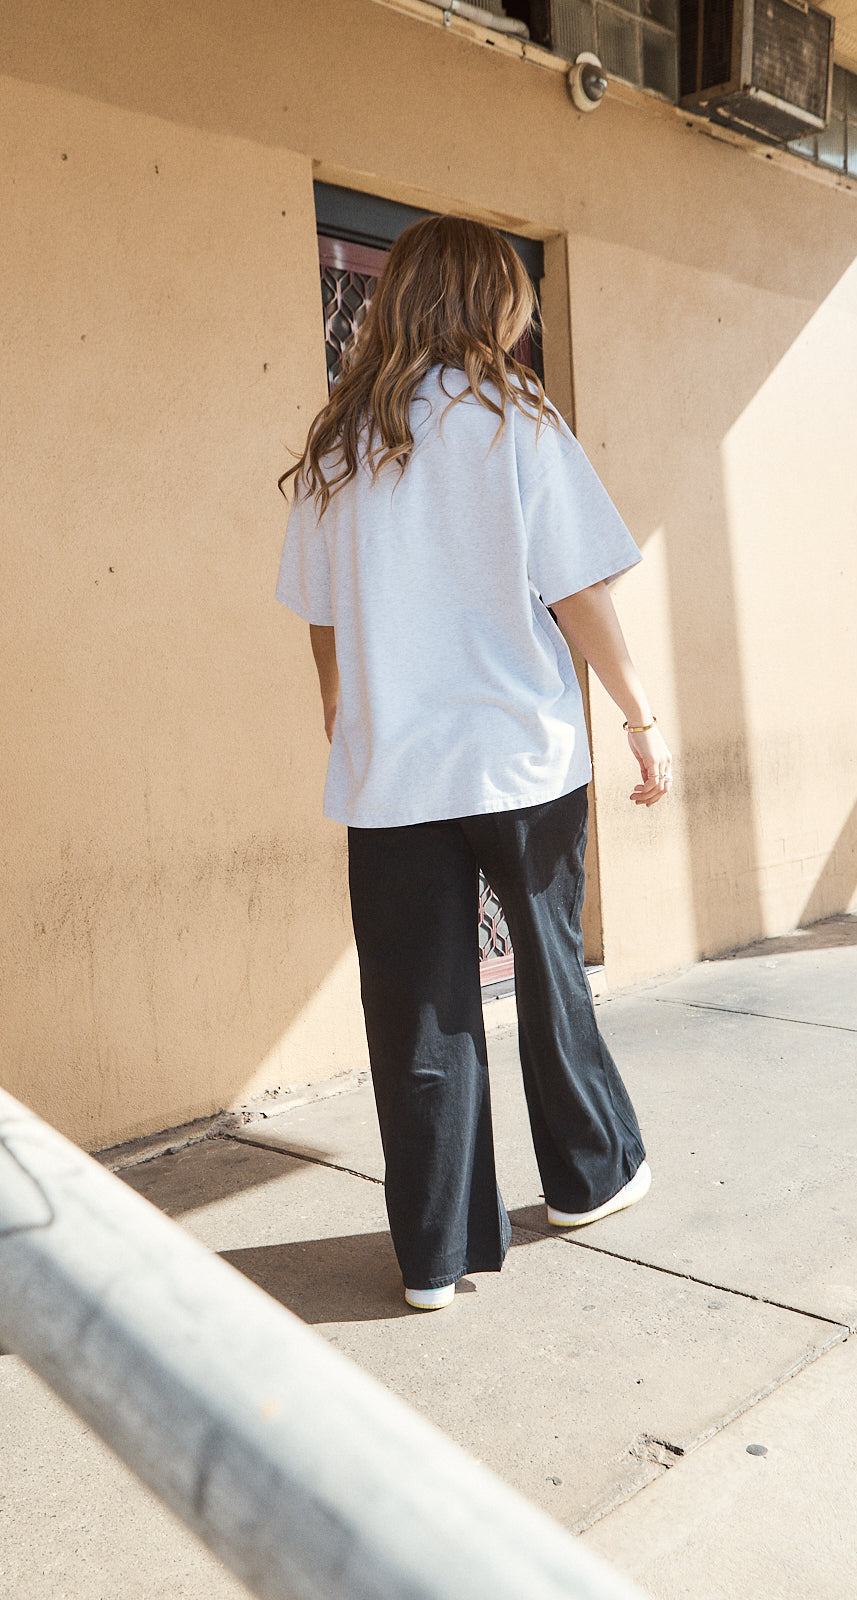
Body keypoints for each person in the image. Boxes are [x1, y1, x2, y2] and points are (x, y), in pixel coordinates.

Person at [276, 215, 672, 1311]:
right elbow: (578, 588)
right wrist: (639, 715)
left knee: (416, 1007)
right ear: (490, 302)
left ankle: (436, 1254)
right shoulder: (517, 420)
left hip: (392, 771)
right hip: (520, 759)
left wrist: (340, 712)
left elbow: (320, 615)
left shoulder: (339, 442)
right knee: (549, 972)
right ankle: (591, 1175)